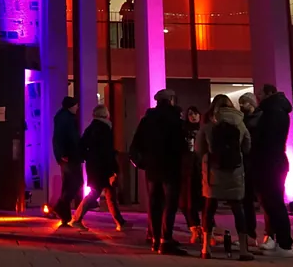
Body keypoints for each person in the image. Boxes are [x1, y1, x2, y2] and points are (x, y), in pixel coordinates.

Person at [196, 94, 253, 261]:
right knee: (238, 209)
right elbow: (247, 146)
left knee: (209, 208)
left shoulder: (208, 124)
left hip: (213, 172)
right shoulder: (240, 123)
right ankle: (243, 250)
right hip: (234, 172)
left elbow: (199, 149)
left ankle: (206, 248)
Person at [130, 88, 187, 255]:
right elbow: (181, 145)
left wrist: (142, 163)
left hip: (152, 167)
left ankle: (155, 238)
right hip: (171, 166)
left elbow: (136, 144)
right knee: (170, 203)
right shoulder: (175, 119)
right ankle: (165, 238)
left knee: (155, 202)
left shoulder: (147, 120)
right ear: (171, 100)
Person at [251, 84, 293, 257]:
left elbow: (264, 139)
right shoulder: (279, 111)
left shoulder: (270, 113)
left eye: (260, 94)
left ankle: (284, 244)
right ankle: (281, 242)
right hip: (275, 160)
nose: (258, 97)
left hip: (269, 162)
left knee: (274, 203)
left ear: (269, 94)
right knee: (273, 202)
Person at [72, 104, 126, 231]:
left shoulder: (91, 128)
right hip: (103, 166)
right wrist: (113, 169)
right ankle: (76, 218)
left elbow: (81, 146)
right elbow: (106, 151)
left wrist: (88, 157)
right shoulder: (105, 129)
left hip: (94, 165)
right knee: (97, 192)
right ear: (105, 114)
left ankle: (120, 221)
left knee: (109, 193)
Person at [52, 96, 82, 226]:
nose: (77, 107)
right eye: (76, 105)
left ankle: (64, 215)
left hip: (68, 156)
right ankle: (60, 208)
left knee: (69, 184)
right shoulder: (66, 119)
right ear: (70, 106)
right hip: (69, 156)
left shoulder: (64, 117)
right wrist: (63, 154)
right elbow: (61, 138)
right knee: (74, 183)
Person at [238, 92, 261, 244]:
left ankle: (252, 234)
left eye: (244, 102)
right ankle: (249, 234)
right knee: (246, 200)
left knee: (251, 199)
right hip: (246, 162)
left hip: (253, 162)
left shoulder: (258, 119)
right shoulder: (244, 119)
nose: (242, 106)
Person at [180, 106, 204, 243]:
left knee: (205, 200)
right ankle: (194, 228)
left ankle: (207, 229)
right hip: (188, 169)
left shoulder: (204, 130)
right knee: (187, 201)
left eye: (195, 113)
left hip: (202, 168)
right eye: (190, 114)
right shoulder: (184, 131)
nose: (193, 116)